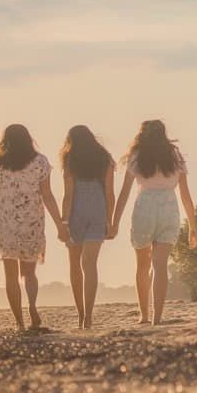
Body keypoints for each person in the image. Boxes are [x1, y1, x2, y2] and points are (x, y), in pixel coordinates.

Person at [0, 124, 67, 333]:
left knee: (10, 275)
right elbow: (48, 195)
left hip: (5, 223)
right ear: (28, 139)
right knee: (29, 272)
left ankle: (19, 322)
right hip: (32, 222)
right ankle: (32, 306)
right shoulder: (40, 162)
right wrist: (60, 225)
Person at [110, 119, 197, 324]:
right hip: (169, 208)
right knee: (160, 266)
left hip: (145, 208)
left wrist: (114, 223)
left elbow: (124, 193)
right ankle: (157, 318)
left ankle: (144, 315)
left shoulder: (137, 156)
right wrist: (193, 226)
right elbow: (185, 193)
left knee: (142, 266)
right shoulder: (174, 156)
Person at [60, 125, 117, 330]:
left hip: (76, 210)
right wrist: (110, 221)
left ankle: (81, 314)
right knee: (90, 264)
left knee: (75, 265)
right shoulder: (105, 158)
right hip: (97, 209)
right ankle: (89, 316)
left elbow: (68, 195)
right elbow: (110, 193)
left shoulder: (69, 158)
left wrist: (64, 222)